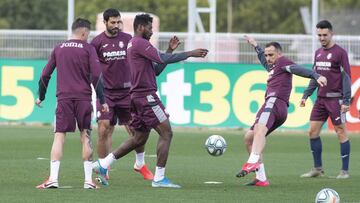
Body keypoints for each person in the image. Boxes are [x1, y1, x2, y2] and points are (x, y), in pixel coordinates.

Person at [92, 13, 208, 188]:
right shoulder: (139, 43)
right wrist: (190, 53)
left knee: (139, 139)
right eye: (149, 27)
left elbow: (156, 70)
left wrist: (169, 51)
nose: (152, 31)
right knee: (166, 133)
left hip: (136, 97)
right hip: (146, 97)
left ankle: (103, 164)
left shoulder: (133, 44)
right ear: (140, 27)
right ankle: (159, 178)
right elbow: (161, 58)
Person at [236, 36, 327, 186]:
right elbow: (263, 59)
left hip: (274, 103)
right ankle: (261, 178)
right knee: (249, 138)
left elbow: (297, 69)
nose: (268, 58)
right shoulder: (273, 67)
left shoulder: (283, 62)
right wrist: (255, 45)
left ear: (279, 54)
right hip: (277, 108)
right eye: (266, 55)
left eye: (271, 54)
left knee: (259, 129)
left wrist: (316, 75)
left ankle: (252, 161)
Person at [35, 18, 109, 189]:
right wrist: (103, 100)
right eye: (88, 34)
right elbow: (97, 76)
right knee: (86, 136)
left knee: (59, 136)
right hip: (83, 98)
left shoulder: (59, 48)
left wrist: (42, 96)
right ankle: (88, 181)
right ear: (84, 32)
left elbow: (45, 75)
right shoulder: (88, 49)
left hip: (64, 99)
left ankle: (53, 178)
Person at [91, 8, 153, 181]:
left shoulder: (129, 40)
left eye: (119, 22)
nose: (117, 25)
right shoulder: (96, 43)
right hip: (107, 94)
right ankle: (104, 168)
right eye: (113, 22)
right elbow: (92, 69)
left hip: (128, 92)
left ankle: (140, 164)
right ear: (105, 23)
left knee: (136, 129)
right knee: (104, 128)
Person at [300, 20, 351, 179]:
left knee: (340, 132)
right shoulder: (318, 53)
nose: (321, 38)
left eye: (324, 35)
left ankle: (344, 171)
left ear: (331, 34)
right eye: (319, 35)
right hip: (320, 100)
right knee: (312, 131)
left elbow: (347, 76)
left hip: (336, 100)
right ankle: (317, 169)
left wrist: (346, 100)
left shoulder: (340, 53)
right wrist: (306, 94)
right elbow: (315, 76)